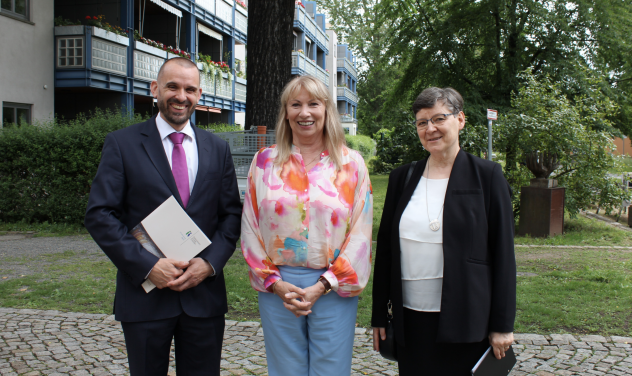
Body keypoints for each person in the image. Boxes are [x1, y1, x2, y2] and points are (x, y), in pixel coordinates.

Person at [84, 57, 242, 375]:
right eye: (172, 86)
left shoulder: (218, 148)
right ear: (155, 88)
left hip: (203, 297)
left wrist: (209, 264)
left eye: (190, 89)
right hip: (145, 297)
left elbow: (231, 216)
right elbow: (100, 214)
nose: (181, 96)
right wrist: (148, 266)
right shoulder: (122, 144)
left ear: (199, 95)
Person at [371, 87, 516, 375]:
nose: (430, 128)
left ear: (460, 119)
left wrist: (502, 325)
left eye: (439, 119)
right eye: (422, 122)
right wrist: (379, 316)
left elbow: (503, 256)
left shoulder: (487, 176)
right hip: (410, 319)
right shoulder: (402, 178)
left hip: (468, 318)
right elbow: (386, 250)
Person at [240, 75, 373, 376]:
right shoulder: (264, 163)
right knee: (286, 370)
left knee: (331, 370)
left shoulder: (351, 165)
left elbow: (361, 233)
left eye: (313, 104)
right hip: (278, 286)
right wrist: (274, 283)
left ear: (326, 109)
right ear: (286, 112)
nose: (305, 113)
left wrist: (325, 283)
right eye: (295, 104)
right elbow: (249, 226)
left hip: (333, 286)